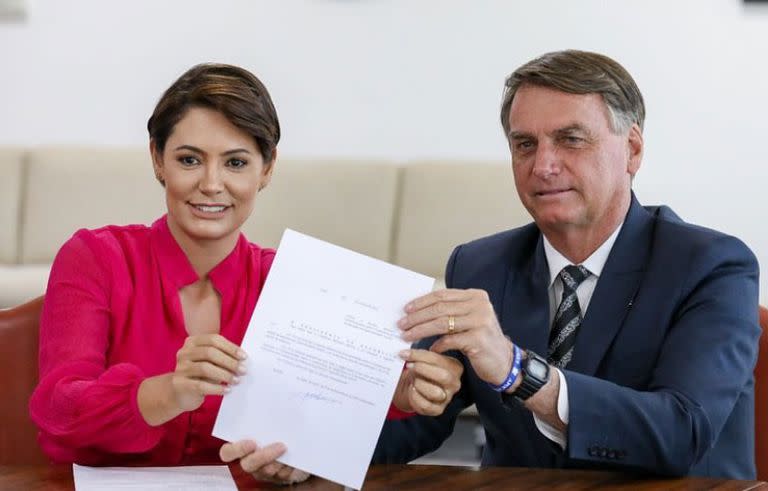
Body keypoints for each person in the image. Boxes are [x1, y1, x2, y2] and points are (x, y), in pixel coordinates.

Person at [29, 63, 462, 485]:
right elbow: (57, 406)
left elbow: (325, 400)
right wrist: (168, 393)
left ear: (267, 169)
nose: (212, 184)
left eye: (235, 163)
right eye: (189, 159)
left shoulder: (291, 278)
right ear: (158, 160)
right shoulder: (95, 257)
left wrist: (400, 393)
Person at [374, 50, 760, 479]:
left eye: (571, 139)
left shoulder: (710, 266)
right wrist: (310, 446)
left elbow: (680, 433)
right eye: (525, 145)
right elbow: (422, 422)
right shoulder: (480, 265)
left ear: (631, 150)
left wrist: (518, 371)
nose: (543, 165)